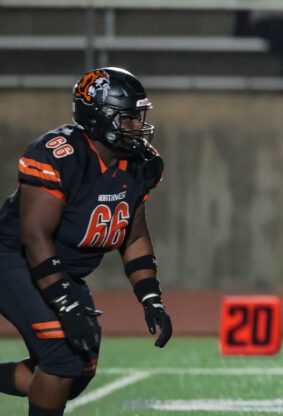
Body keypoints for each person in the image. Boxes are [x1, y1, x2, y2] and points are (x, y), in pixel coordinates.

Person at [0, 67, 172, 416]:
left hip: (60, 271)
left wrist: (150, 299)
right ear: (99, 117)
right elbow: (34, 237)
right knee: (61, 355)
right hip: (14, 259)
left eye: (138, 118)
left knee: (79, 370)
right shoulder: (59, 154)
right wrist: (66, 302)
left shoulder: (141, 164)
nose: (137, 127)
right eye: (128, 119)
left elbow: (134, 234)